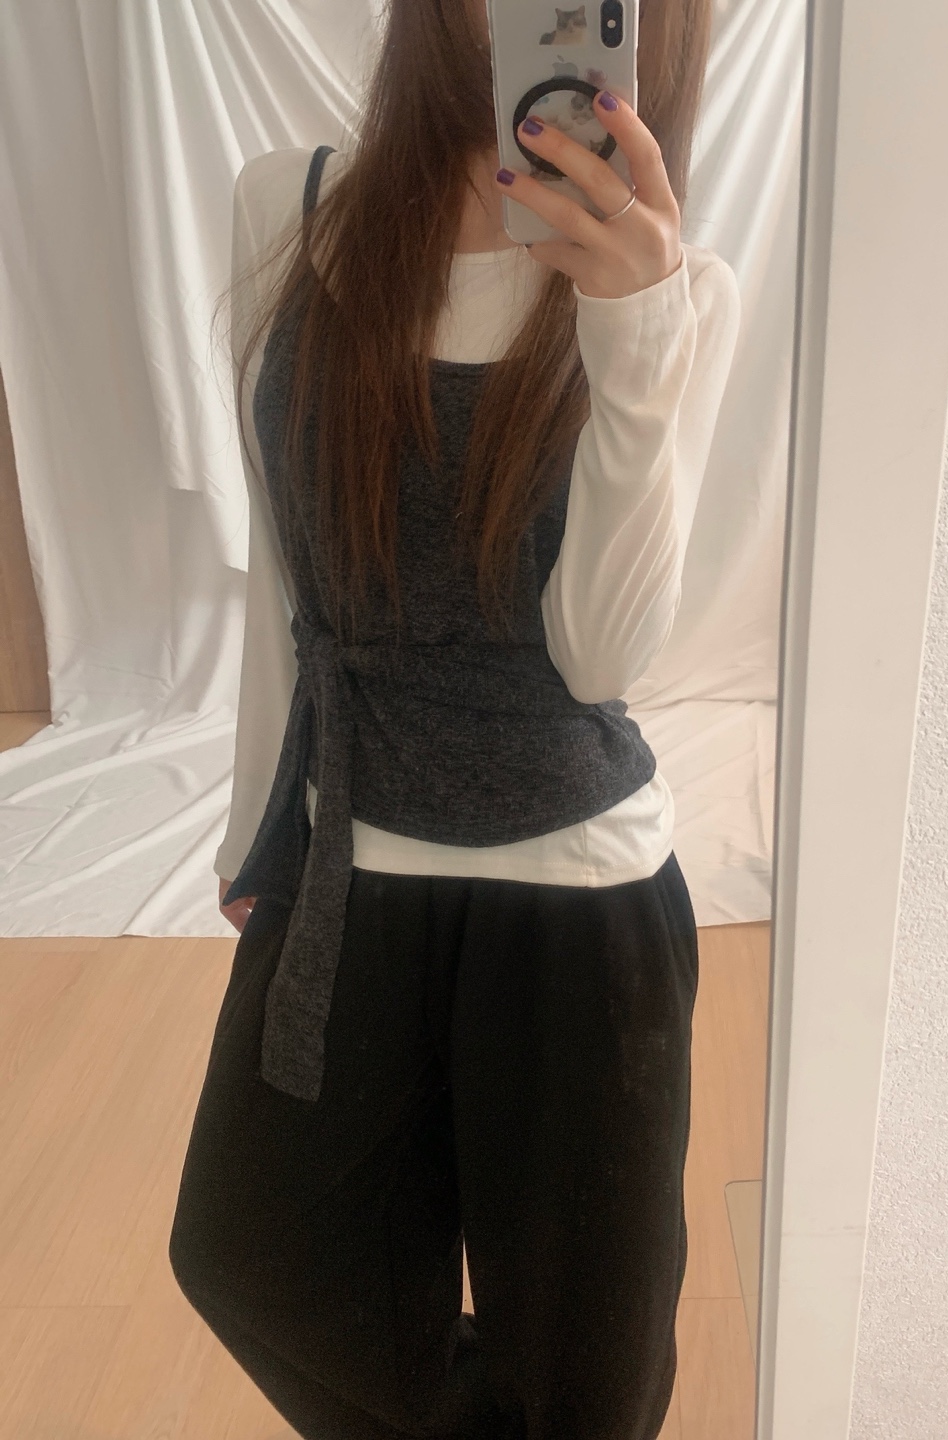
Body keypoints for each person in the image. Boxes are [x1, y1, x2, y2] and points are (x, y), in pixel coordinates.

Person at [169, 1, 740, 1436]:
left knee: (586, 1390)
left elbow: (599, 659)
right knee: (253, 1258)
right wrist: (257, 831)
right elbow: (291, 587)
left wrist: (632, 334)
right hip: (349, 864)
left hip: (579, 903)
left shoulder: (678, 293)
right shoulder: (287, 210)